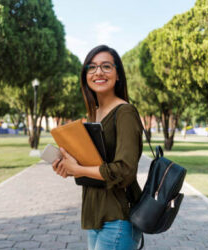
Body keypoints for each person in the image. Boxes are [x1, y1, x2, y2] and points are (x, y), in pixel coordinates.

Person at [52, 45, 143, 250]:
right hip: (96, 215)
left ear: (118, 74)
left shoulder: (125, 112)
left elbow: (125, 170)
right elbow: (95, 165)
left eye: (106, 66)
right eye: (91, 67)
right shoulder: (95, 113)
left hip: (117, 216)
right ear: (85, 75)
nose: (98, 72)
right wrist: (69, 168)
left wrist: (79, 170)